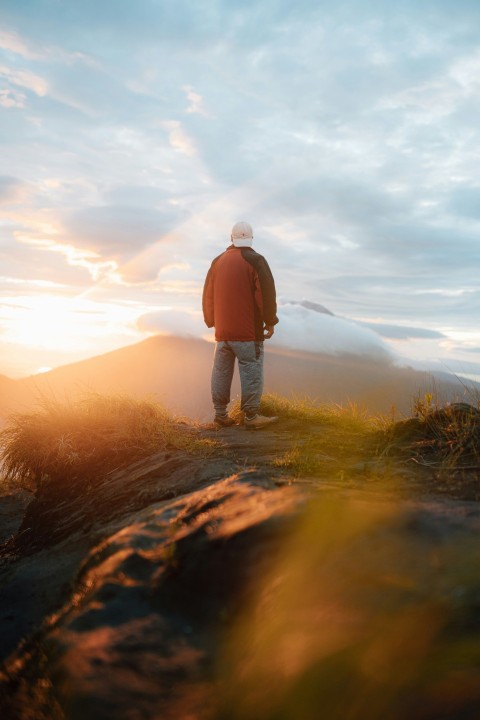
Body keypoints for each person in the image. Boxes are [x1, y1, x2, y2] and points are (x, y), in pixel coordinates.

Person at [202, 221, 279, 429]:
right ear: (251, 238)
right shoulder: (256, 261)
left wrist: (211, 320)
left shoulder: (217, 262)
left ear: (231, 238)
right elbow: (265, 294)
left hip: (223, 333)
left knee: (221, 371)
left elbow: (208, 294)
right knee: (251, 370)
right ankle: (252, 417)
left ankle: (220, 415)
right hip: (247, 333)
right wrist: (270, 321)